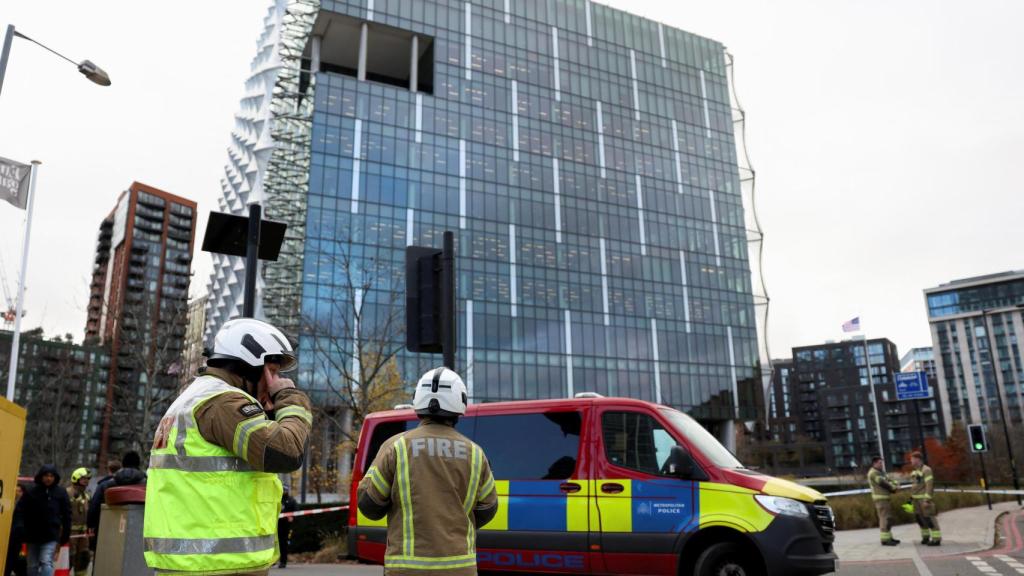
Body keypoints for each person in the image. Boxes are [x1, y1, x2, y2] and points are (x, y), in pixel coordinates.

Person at [143, 318, 313, 575]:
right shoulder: (224, 403)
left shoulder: (196, 398)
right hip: (218, 565)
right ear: (252, 364)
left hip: (198, 564)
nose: (278, 380)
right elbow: (286, 452)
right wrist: (290, 398)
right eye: (274, 371)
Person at [357, 367, 499, 575]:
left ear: (418, 401)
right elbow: (488, 509)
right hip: (460, 568)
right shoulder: (475, 453)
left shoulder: (395, 447)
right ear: (460, 402)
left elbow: (369, 505)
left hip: (407, 569)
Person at [86, 451, 147, 551]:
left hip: (107, 533)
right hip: (138, 535)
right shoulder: (148, 485)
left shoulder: (105, 485)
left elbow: (94, 508)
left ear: (123, 464)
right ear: (138, 464)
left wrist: (91, 525)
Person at [22, 465, 70, 576]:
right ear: (41, 476)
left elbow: (67, 514)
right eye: (46, 475)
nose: (49, 478)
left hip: (50, 535)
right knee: (32, 565)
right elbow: (21, 511)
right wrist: (21, 529)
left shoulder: (61, 493)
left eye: (51, 476)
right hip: (32, 535)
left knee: (46, 562)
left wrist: (65, 535)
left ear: (55, 477)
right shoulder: (31, 492)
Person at [910, 452, 941, 546]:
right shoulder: (914, 471)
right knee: (920, 519)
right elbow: (914, 485)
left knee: (929, 518)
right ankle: (925, 537)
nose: (911, 461)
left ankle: (936, 539)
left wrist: (927, 499)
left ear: (917, 459)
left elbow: (929, 485)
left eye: (912, 459)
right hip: (915, 499)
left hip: (923, 499)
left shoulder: (926, 470)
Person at [867, 455, 899, 546]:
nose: (882, 465)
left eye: (882, 463)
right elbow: (882, 483)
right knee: (884, 519)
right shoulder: (873, 473)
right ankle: (885, 540)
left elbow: (890, 480)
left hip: (885, 498)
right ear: (874, 463)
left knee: (888, 518)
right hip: (880, 499)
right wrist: (893, 488)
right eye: (880, 463)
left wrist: (895, 484)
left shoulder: (881, 472)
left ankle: (889, 537)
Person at [67, 468, 92, 574]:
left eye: (87, 479)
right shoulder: (67, 493)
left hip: (83, 535)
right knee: (68, 559)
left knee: (83, 558)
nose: (86, 481)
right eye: (83, 478)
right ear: (75, 478)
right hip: (69, 534)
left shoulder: (86, 495)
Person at [6, 483, 27, 576]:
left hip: (20, 538)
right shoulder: (8, 503)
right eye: (15, 491)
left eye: (18, 491)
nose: (16, 493)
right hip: (9, 537)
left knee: (20, 561)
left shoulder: (25, 506)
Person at [277, 486, 298, 569]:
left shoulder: (291, 500)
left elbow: (296, 510)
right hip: (276, 524)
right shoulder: (277, 499)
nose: (283, 492)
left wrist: (292, 517)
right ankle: (273, 561)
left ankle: (283, 561)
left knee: (283, 543)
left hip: (286, 526)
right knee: (275, 543)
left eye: (285, 490)